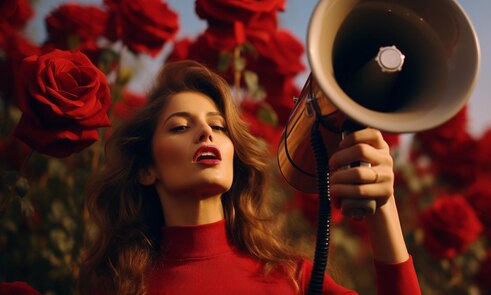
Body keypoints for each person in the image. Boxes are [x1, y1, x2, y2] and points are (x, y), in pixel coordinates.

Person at [77, 60, 421, 294]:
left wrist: (383, 203)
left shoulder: (292, 278)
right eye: (180, 126)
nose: (205, 133)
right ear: (145, 169)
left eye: (218, 126)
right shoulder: (117, 287)